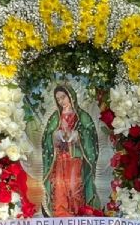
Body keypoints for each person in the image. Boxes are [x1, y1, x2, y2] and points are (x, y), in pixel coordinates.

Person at [41, 85, 99, 216]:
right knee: (60, 188)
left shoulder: (82, 116)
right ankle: (61, 218)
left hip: (75, 158)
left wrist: (78, 135)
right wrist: (54, 136)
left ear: (71, 96)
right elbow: (46, 138)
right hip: (59, 158)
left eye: (63, 97)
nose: (61, 101)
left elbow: (91, 134)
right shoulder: (55, 117)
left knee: (74, 187)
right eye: (58, 99)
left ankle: (77, 216)